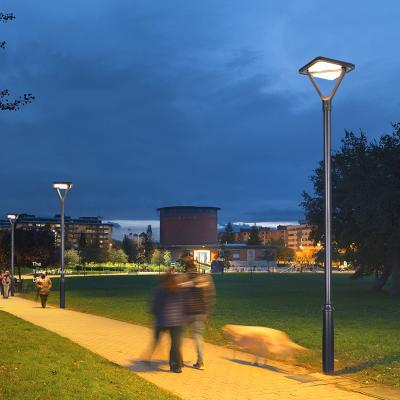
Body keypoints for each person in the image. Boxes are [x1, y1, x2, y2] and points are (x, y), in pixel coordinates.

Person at [151, 272, 186, 373]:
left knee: (158, 338)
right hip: (178, 320)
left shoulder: (159, 289)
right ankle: (176, 365)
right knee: (175, 344)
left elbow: (156, 305)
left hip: (164, 319)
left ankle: (175, 363)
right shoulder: (179, 288)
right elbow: (183, 302)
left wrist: (155, 312)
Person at [185, 265, 215, 370]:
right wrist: (207, 312)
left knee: (192, 336)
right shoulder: (203, 281)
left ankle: (199, 361)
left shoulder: (187, 282)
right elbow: (207, 297)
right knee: (198, 336)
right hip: (201, 313)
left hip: (191, 313)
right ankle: (200, 360)